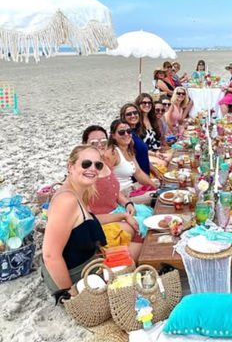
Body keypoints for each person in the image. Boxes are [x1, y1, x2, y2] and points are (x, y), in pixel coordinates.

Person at [42, 144, 107, 296]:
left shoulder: (79, 191)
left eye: (97, 165)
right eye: (86, 163)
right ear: (70, 167)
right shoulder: (66, 200)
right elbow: (50, 255)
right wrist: (72, 294)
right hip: (72, 276)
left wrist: (123, 216)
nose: (92, 169)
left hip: (88, 265)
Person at [82, 126, 148, 257]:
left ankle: (134, 260)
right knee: (139, 228)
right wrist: (122, 216)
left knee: (148, 217)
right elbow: (87, 217)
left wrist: (128, 203)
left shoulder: (105, 162)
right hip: (100, 222)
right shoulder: (85, 173)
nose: (100, 144)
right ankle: (125, 265)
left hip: (117, 210)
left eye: (103, 141)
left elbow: (115, 192)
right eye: (94, 142)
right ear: (84, 144)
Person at [104, 119, 155, 203]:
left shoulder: (129, 150)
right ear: (113, 136)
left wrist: (154, 186)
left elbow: (138, 173)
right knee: (159, 196)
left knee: (162, 185)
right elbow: (105, 181)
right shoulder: (112, 153)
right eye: (121, 132)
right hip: (123, 195)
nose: (126, 134)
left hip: (132, 188)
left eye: (129, 131)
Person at [134, 93, 172, 167]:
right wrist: (154, 154)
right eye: (144, 102)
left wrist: (158, 151)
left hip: (155, 152)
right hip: (143, 154)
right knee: (163, 163)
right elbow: (137, 147)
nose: (147, 105)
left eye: (149, 103)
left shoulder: (152, 119)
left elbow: (158, 139)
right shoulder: (136, 121)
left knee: (173, 156)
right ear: (138, 104)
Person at [119, 103, 151, 176]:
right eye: (129, 114)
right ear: (123, 117)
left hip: (145, 177)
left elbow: (143, 156)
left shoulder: (136, 132)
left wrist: (155, 172)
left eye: (135, 113)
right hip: (136, 180)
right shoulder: (126, 136)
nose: (133, 115)